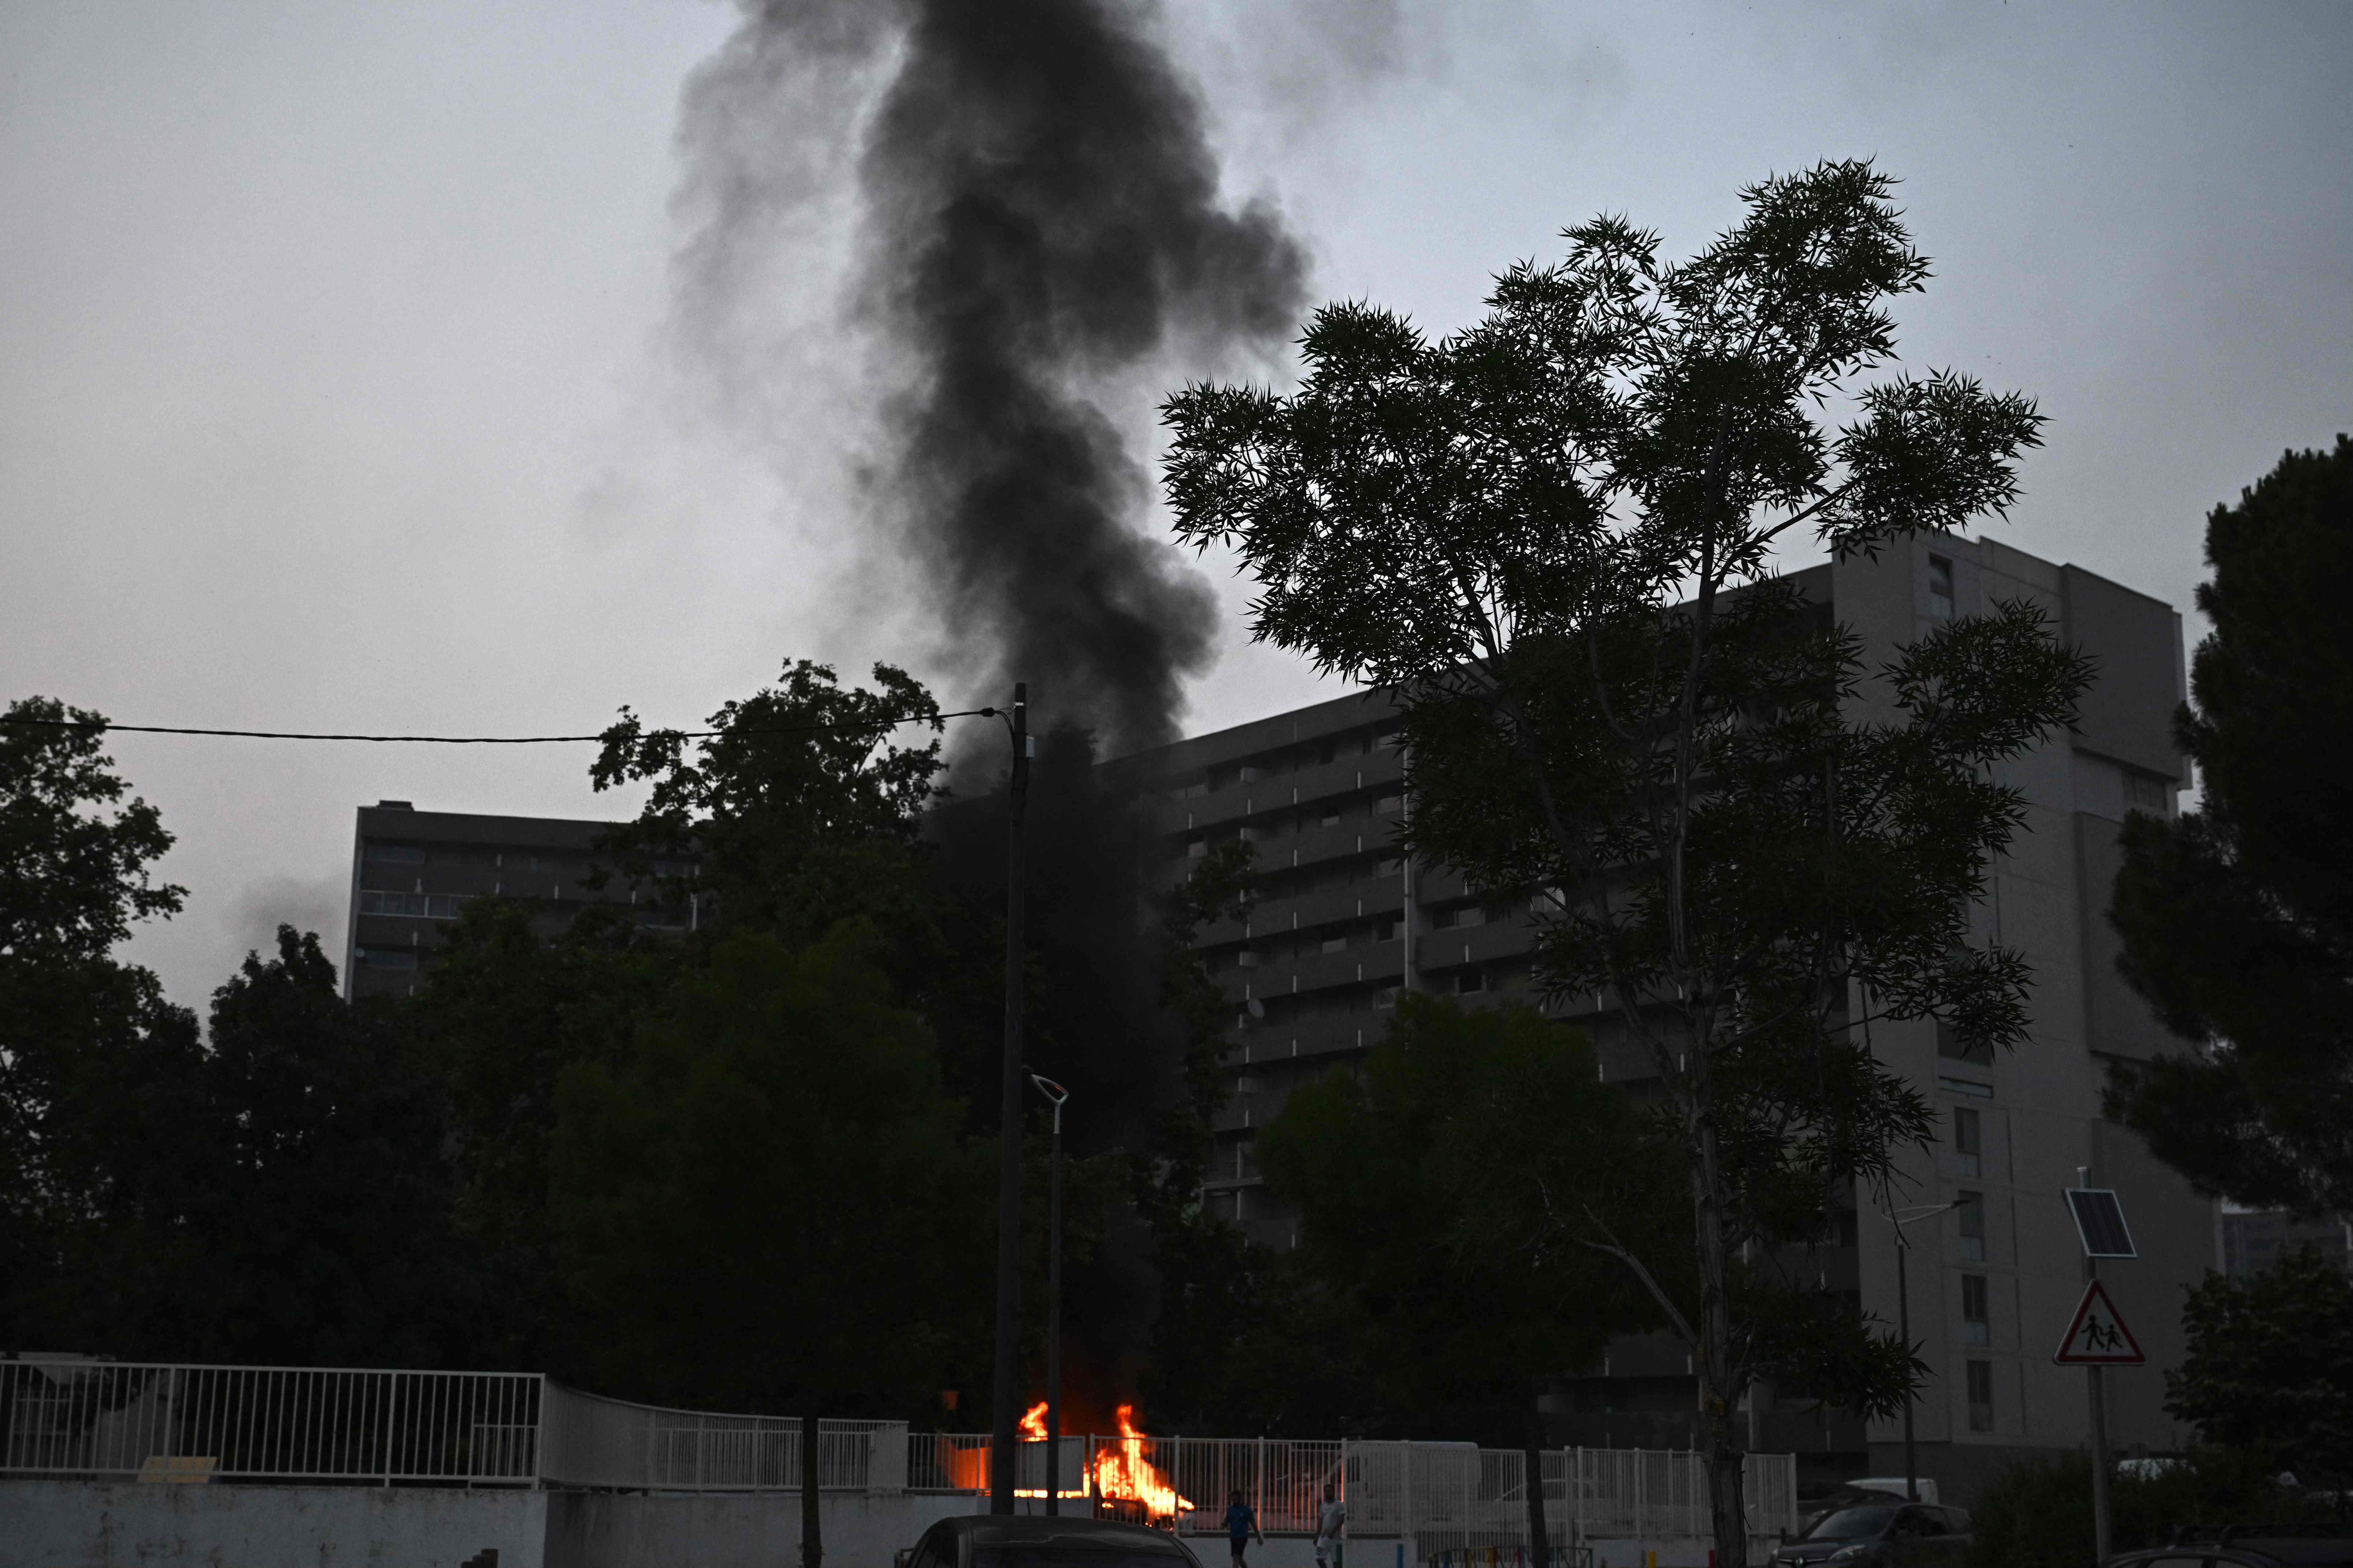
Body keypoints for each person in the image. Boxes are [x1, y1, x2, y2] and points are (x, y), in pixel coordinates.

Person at [1224, 1489, 1264, 1568]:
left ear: (1240, 1499)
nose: (1234, 1501)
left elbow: (1253, 1524)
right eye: (1233, 1500)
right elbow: (1227, 1522)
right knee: (1239, 1558)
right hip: (1234, 1537)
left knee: (1236, 1557)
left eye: (1235, 1500)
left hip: (1242, 1537)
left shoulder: (1246, 1510)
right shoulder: (1231, 1510)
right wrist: (1224, 1525)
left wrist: (1259, 1537)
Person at [1314, 1481, 1347, 1568]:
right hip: (1323, 1537)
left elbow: (1341, 1520)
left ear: (1333, 1492)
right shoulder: (1323, 1505)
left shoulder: (1339, 1504)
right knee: (1319, 1559)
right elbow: (1320, 1520)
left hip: (1335, 1538)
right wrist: (1317, 1535)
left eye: (1330, 1491)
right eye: (1326, 1491)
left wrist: (1333, 1532)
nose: (1328, 1493)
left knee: (1336, 1562)